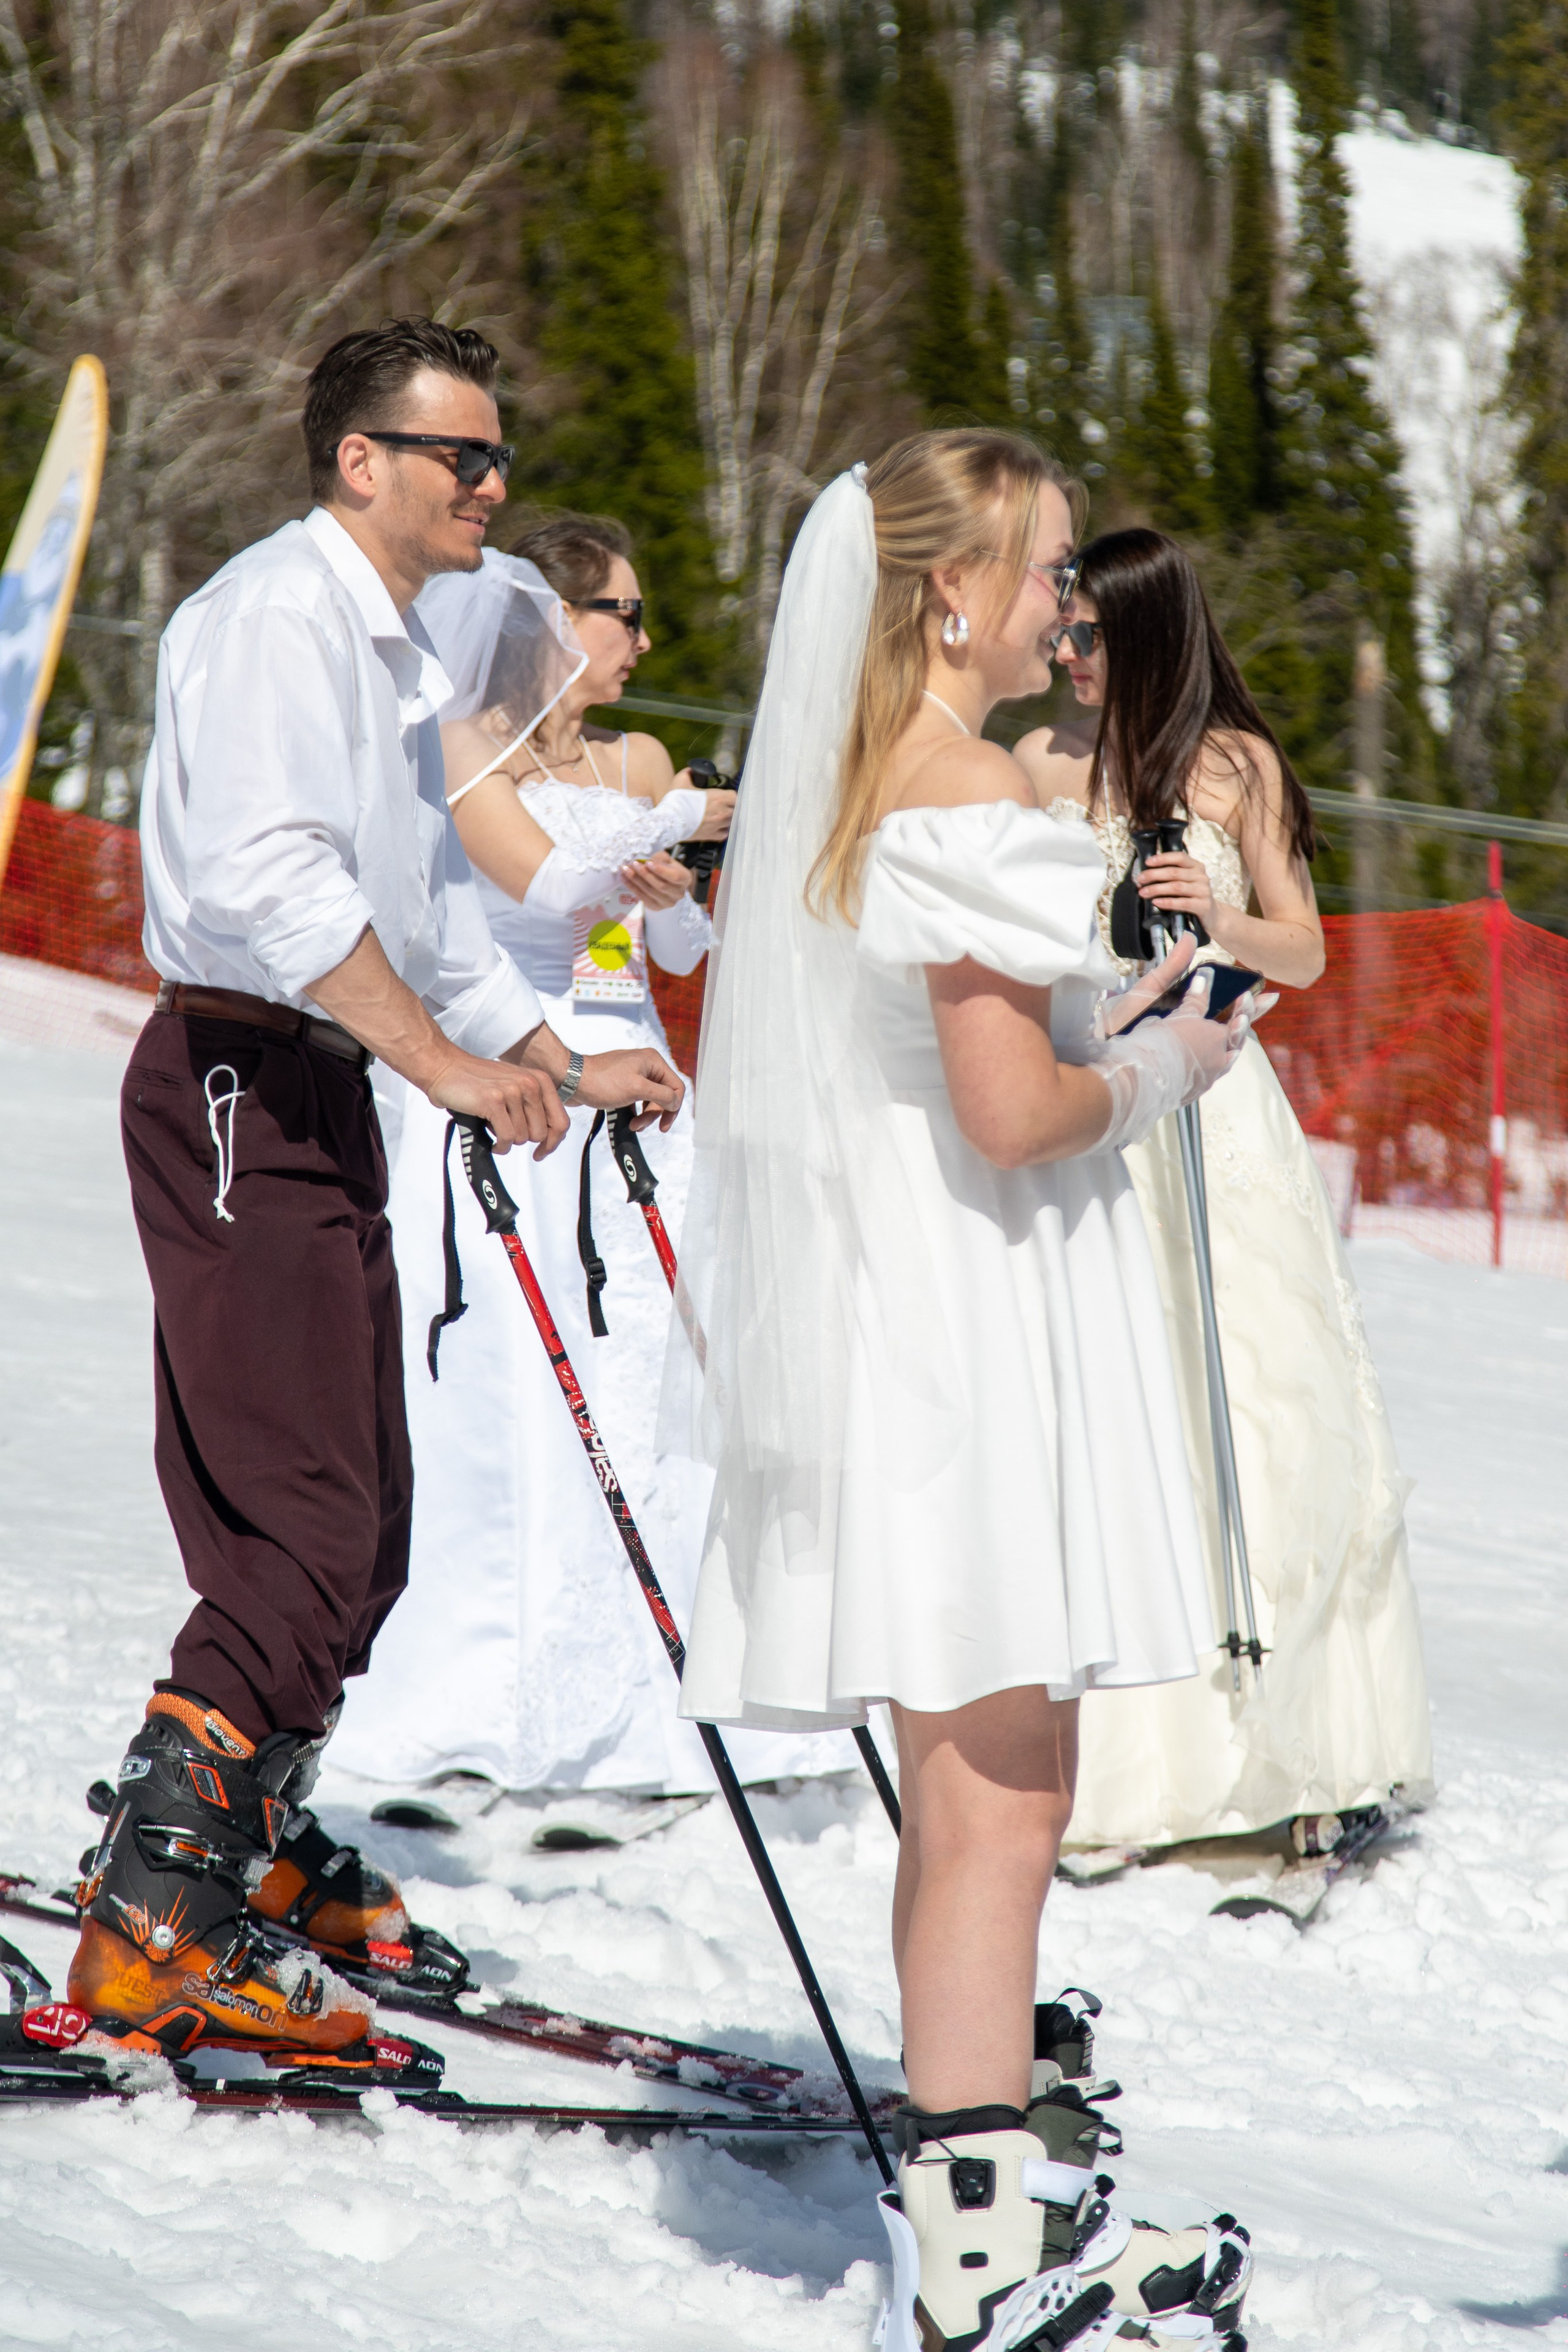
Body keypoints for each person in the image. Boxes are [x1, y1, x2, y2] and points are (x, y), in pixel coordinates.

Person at [665, 437, 1258, 2351]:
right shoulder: (971, 782)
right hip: (971, 1325)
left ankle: (974, 2234)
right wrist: (1172, 1068)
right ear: (946, 587)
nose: (1063, 605)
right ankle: (980, 2261)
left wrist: (1118, 1026)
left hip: (901, 1306)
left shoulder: (859, 778)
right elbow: (1012, 1115)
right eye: (1046, 570)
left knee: (959, 1790)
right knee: (1009, 1792)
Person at [69, 320, 681, 2076]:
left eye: (499, 457)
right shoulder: (278, 618)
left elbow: (421, 924)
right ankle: (154, 1931)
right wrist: (442, 1066)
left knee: (367, 1525)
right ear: (362, 461)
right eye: (461, 458)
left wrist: (556, 1057)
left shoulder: (408, 651)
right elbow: (271, 888)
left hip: (318, 1076)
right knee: (304, 1522)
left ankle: (237, 1839)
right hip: (243, 1076)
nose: (493, 486)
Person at [336, 514, 857, 1793]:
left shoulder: (630, 761)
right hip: (512, 1069)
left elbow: (657, 944)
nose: (639, 639)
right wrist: (671, 826)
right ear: (553, 620)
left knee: (637, 1384)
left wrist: (680, 881)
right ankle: (487, 1693)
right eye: (621, 612)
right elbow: (535, 884)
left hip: (626, 1078)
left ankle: (647, 1698)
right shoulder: (468, 751)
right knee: (504, 1394)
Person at [1014, 527, 1433, 1853]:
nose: (1064, 654)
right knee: (1112, 1409)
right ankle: (1128, 1767)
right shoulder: (1033, 764)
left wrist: (1216, 913)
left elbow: (1302, 951)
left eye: (1086, 635)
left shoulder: (1234, 765)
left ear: (1143, 634)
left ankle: (1287, 1741)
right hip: (1091, 1100)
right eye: (1060, 631)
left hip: (1214, 1107)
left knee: (1249, 1398)